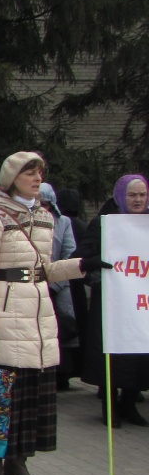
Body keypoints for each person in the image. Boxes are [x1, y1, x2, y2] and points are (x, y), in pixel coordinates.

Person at [0, 151, 90, 475]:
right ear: (12, 178)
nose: (37, 179)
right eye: (29, 173)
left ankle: (18, 462)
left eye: (40, 173)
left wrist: (82, 266)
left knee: (32, 397)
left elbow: (44, 270)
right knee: (3, 395)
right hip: (6, 313)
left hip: (38, 316)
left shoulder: (44, 216)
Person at [76, 174, 149, 427]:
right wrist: (97, 267)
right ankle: (110, 406)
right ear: (120, 196)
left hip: (139, 302)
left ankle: (129, 403)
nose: (138, 200)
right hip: (112, 301)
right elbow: (81, 257)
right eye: (132, 195)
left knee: (138, 353)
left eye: (142, 195)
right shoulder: (104, 224)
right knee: (112, 354)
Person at [39, 183, 80, 391]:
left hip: (59, 285)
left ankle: (62, 376)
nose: (42, 208)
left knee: (62, 331)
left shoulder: (63, 222)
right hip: (34, 287)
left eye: (45, 204)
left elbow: (69, 253)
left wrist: (55, 283)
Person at [56, 187, 90, 385]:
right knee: (73, 328)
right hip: (74, 283)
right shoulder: (81, 226)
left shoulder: (62, 223)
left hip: (62, 282)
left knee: (63, 327)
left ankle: (63, 374)